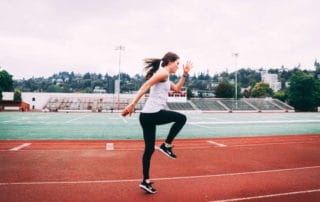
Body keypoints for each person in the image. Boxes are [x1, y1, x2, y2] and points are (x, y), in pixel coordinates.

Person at [121, 52, 192, 194]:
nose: (178, 67)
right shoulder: (163, 74)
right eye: (177, 64)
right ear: (170, 62)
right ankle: (166, 145)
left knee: (149, 150)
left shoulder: (165, 76)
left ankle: (145, 181)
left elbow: (177, 89)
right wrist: (132, 104)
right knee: (181, 118)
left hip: (146, 116)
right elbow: (145, 86)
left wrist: (184, 75)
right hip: (152, 114)